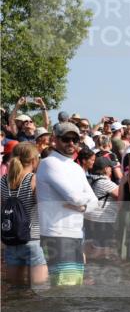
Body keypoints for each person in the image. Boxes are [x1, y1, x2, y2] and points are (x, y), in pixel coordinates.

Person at [34, 122, 98, 285]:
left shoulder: (76, 168)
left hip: (76, 233)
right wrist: (82, 202)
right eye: (66, 139)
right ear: (55, 140)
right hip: (56, 234)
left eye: (74, 140)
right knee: (64, 289)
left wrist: (82, 207)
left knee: (74, 287)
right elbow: (73, 197)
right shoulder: (49, 163)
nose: (71, 143)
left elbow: (95, 202)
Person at [1, 142, 48, 286]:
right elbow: (43, 209)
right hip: (32, 240)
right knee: (40, 292)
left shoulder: (3, 181)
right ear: (34, 160)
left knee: (16, 291)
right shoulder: (34, 179)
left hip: (10, 241)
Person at [83, 156, 121, 260]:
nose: (111, 170)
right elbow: (121, 195)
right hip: (103, 220)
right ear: (105, 169)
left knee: (91, 247)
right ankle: (101, 269)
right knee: (104, 250)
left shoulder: (90, 179)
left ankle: (90, 270)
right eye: (110, 167)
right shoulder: (105, 182)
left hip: (90, 219)